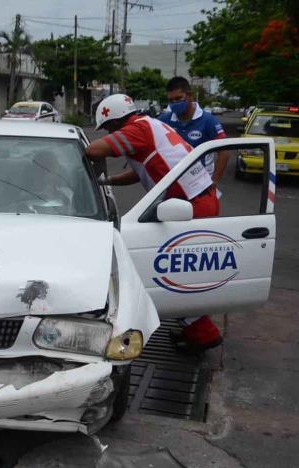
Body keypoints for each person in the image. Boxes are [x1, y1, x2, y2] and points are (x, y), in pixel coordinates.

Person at [86, 93, 222, 352]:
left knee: (172, 272)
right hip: (199, 198)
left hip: (192, 204)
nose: (109, 132)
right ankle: (195, 329)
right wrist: (108, 181)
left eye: (108, 127)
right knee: (184, 270)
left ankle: (204, 334)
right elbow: (141, 172)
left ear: (115, 121)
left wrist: (99, 162)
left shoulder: (137, 129)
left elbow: (93, 149)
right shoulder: (150, 125)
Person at [159, 77, 229, 187]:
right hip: (172, 182)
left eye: (178, 98)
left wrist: (214, 181)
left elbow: (224, 151)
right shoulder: (164, 120)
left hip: (201, 184)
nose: (174, 103)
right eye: (171, 100)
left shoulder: (208, 120)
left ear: (190, 96)